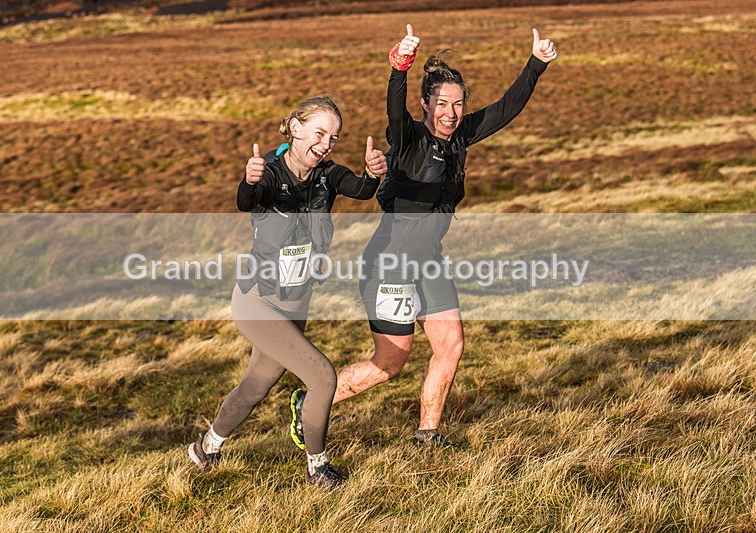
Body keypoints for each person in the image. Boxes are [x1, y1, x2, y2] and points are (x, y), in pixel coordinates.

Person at [290, 25, 558, 449]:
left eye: (457, 104)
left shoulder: (461, 137)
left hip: (429, 261)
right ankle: (309, 402)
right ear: (426, 104)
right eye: (442, 104)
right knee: (389, 364)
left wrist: (536, 64)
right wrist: (400, 67)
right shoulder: (411, 137)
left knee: (450, 345)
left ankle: (427, 435)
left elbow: (506, 108)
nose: (451, 113)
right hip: (390, 264)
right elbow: (394, 110)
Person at [189, 95, 387, 488]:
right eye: (319, 133)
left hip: (297, 303)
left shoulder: (328, 176)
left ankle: (206, 447)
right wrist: (248, 180)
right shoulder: (269, 174)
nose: (326, 143)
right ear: (295, 129)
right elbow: (247, 201)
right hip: (257, 300)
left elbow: (362, 190)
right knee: (322, 377)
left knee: (255, 386)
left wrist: (373, 173)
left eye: (333, 137)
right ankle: (318, 467)